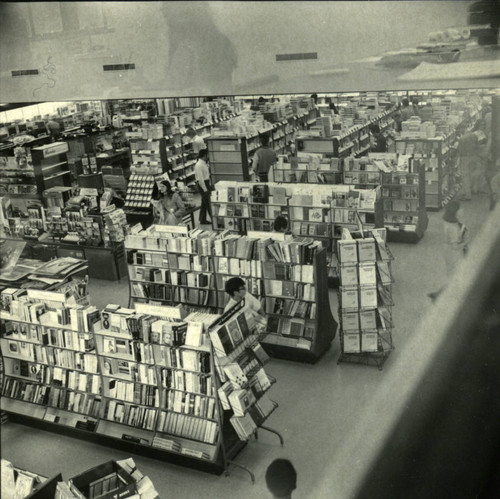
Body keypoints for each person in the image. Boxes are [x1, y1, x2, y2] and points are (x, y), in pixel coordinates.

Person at [428, 199, 471, 302]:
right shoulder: (454, 228)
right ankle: (442, 296)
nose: (462, 210)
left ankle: (438, 294)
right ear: (455, 211)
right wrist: (467, 241)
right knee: (457, 275)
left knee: (453, 275)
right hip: (454, 253)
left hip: (448, 250)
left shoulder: (447, 221)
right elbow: (455, 246)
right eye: (460, 208)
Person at [457, 129, 480, 200]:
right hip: (474, 156)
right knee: (472, 174)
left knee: (465, 176)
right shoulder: (474, 136)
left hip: (465, 158)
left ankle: (467, 195)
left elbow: (459, 149)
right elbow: (477, 146)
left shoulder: (462, 138)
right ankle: (474, 189)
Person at [194, 149, 212, 225]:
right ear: (204, 155)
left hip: (206, 183)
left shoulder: (204, 163)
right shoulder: (199, 165)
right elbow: (201, 179)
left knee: (204, 202)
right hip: (202, 184)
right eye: (207, 154)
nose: (208, 156)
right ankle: (215, 220)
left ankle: (202, 219)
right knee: (208, 203)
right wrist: (205, 189)